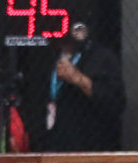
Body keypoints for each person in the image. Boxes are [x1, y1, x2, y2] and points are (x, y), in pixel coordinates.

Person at [39, 21, 125, 153]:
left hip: (89, 144)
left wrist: (78, 79)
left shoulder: (101, 58)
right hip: (52, 142)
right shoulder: (46, 57)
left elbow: (116, 102)